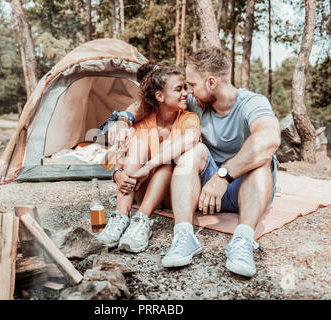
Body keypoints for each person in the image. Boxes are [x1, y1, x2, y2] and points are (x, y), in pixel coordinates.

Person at [110, 47, 281, 277]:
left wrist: (224, 176)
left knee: (262, 159)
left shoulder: (251, 103)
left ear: (211, 82)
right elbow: (152, 102)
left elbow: (269, 138)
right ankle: (184, 236)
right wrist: (124, 118)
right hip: (207, 190)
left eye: (192, 85)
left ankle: (242, 241)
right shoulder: (197, 103)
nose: (188, 92)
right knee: (195, 149)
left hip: (245, 188)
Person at [96, 62, 201, 254]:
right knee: (138, 143)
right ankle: (120, 217)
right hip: (140, 189)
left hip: (170, 193)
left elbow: (193, 137)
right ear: (159, 96)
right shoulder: (143, 122)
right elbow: (122, 152)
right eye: (179, 89)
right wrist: (118, 171)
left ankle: (142, 220)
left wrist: (149, 166)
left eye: (184, 87)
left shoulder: (188, 118)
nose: (186, 93)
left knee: (168, 161)